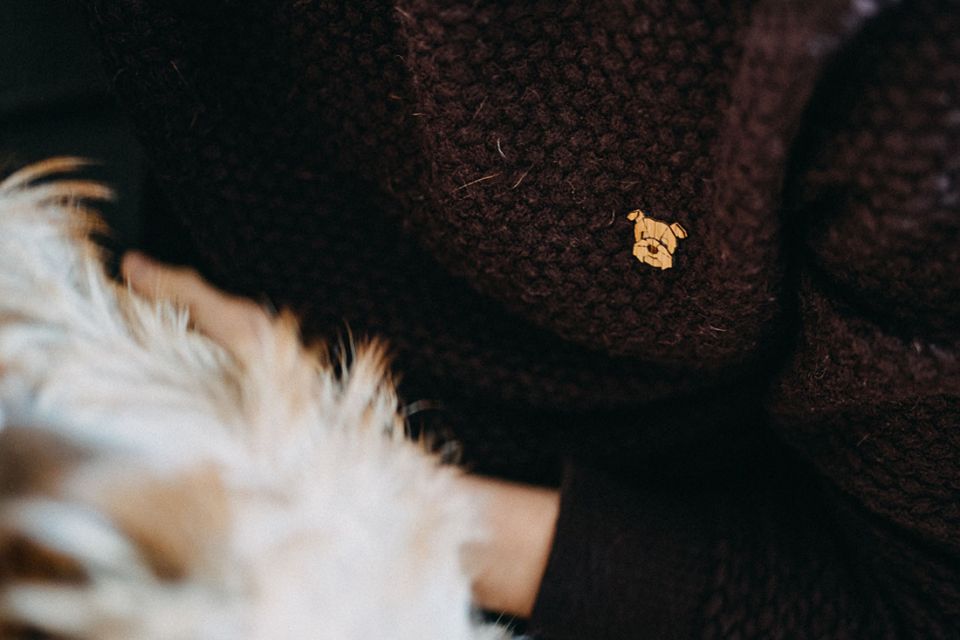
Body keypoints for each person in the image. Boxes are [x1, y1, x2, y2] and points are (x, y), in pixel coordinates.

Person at [81, 0, 958, 637]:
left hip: (584, 562)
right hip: (134, 339)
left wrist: (369, 502)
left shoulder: (909, 68)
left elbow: (918, 607)